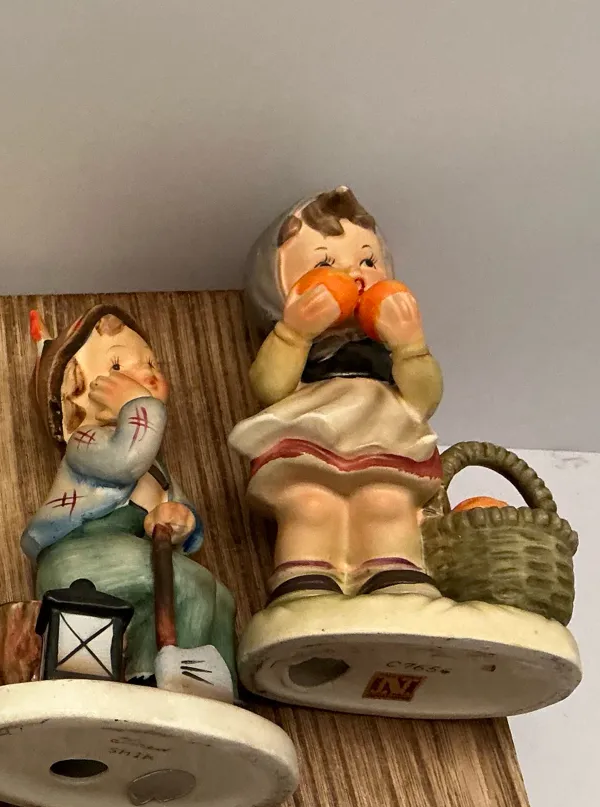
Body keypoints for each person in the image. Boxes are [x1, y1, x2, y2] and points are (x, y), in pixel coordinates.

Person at [231, 187, 444, 603]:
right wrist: (293, 332)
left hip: (382, 432)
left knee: (386, 501)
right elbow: (270, 387)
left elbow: (424, 399)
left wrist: (410, 346)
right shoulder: (297, 341)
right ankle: (303, 584)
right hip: (314, 431)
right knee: (308, 504)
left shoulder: (386, 347)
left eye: (368, 261)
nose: (354, 275)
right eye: (325, 264)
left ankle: (395, 579)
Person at [24, 306, 237, 698]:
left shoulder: (156, 466)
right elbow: (126, 461)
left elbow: (174, 504)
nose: (146, 373)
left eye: (151, 362)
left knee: (219, 596)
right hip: (80, 556)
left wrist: (181, 519)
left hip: (134, 553)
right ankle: (157, 681)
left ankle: (220, 693)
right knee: (187, 583)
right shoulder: (87, 441)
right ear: (73, 397)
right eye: (118, 365)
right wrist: (141, 404)